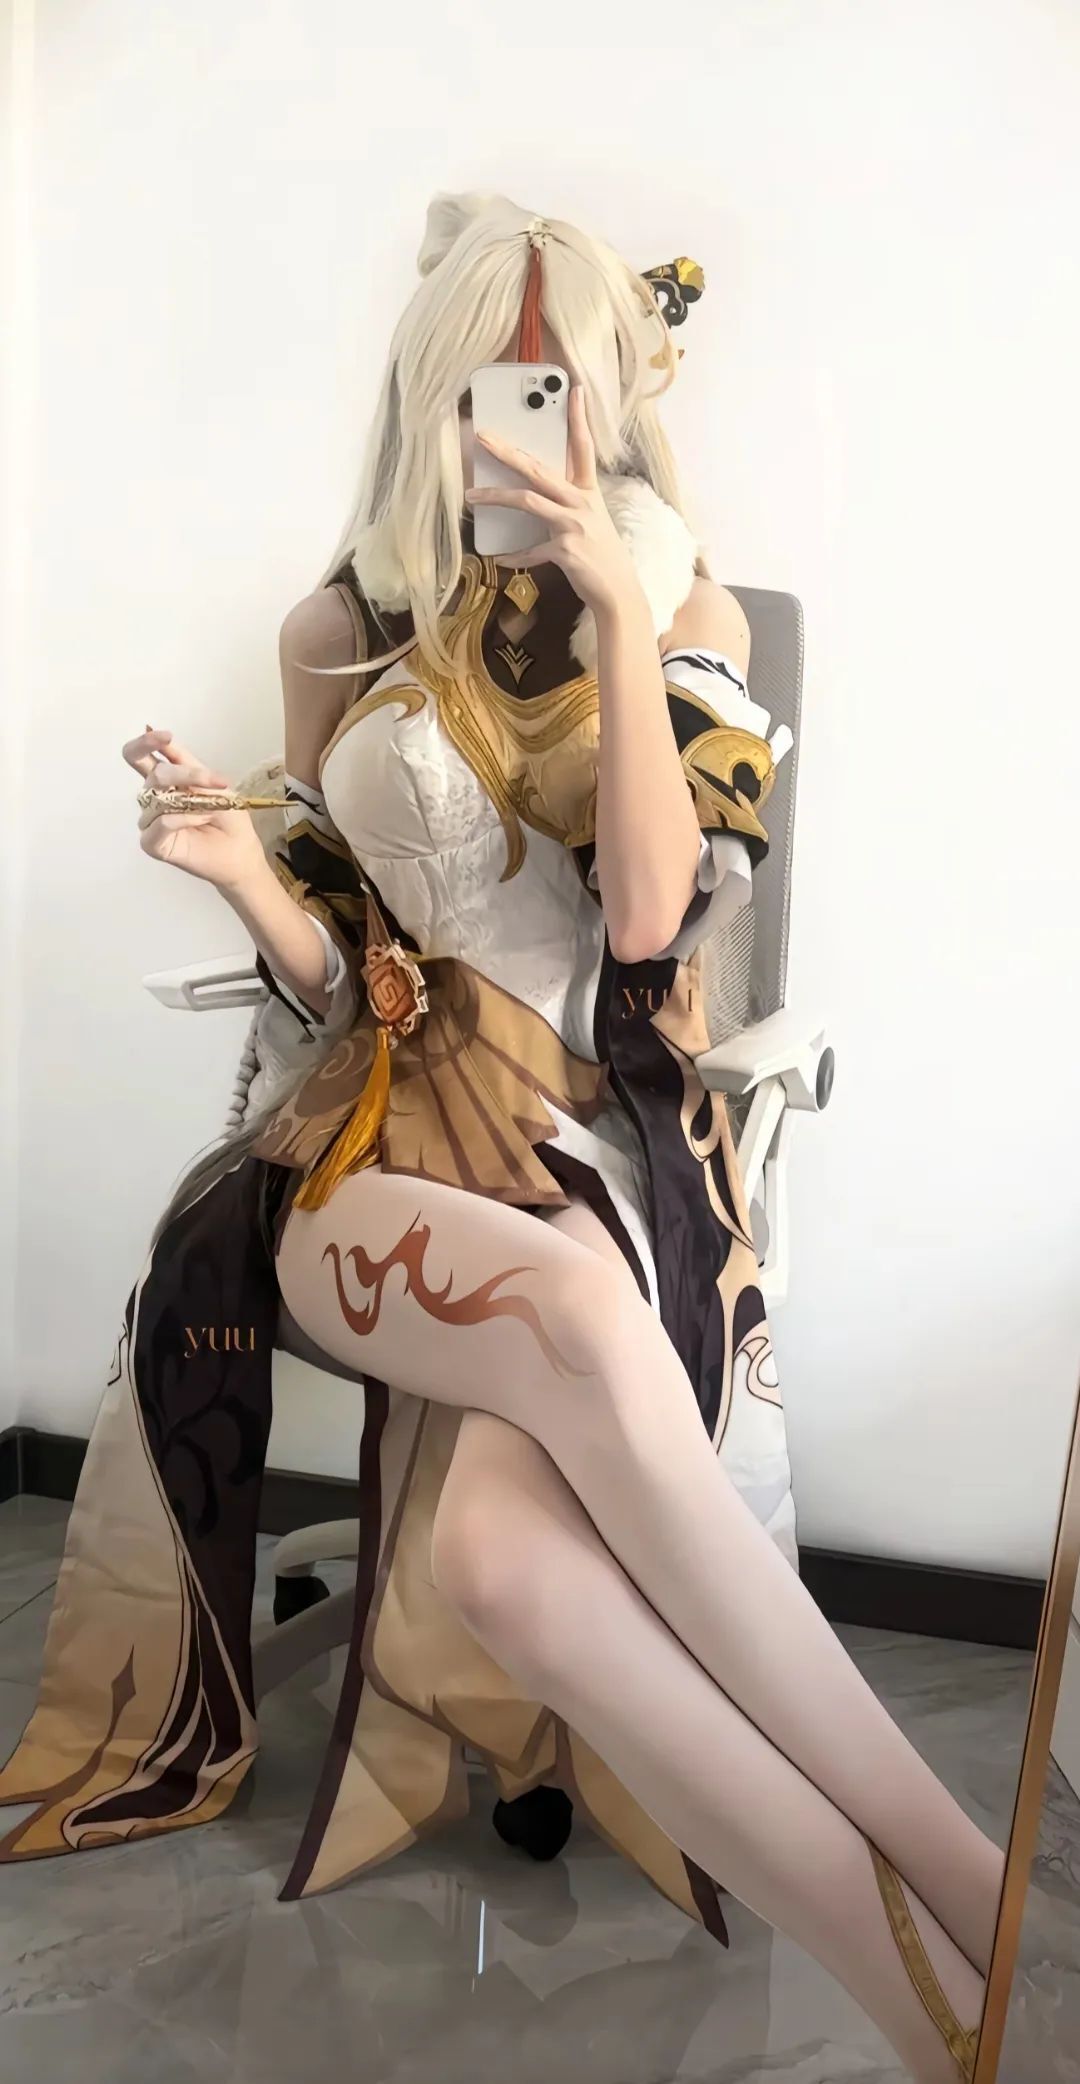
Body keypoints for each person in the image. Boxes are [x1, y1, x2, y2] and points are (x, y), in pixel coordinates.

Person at [0, 191, 1001, 2083]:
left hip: (589, 1144)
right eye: (496, 377)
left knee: (508, 1570)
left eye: (569, 380)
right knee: (566, 1313)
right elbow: (342, 969)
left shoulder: (683, 609)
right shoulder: (337, 627)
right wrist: (243, 872)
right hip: (376, 1147)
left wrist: (620, 611)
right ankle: (978, 1884)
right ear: (432, 386)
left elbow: (649, 918)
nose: (535, 416)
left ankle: (944, 2011)